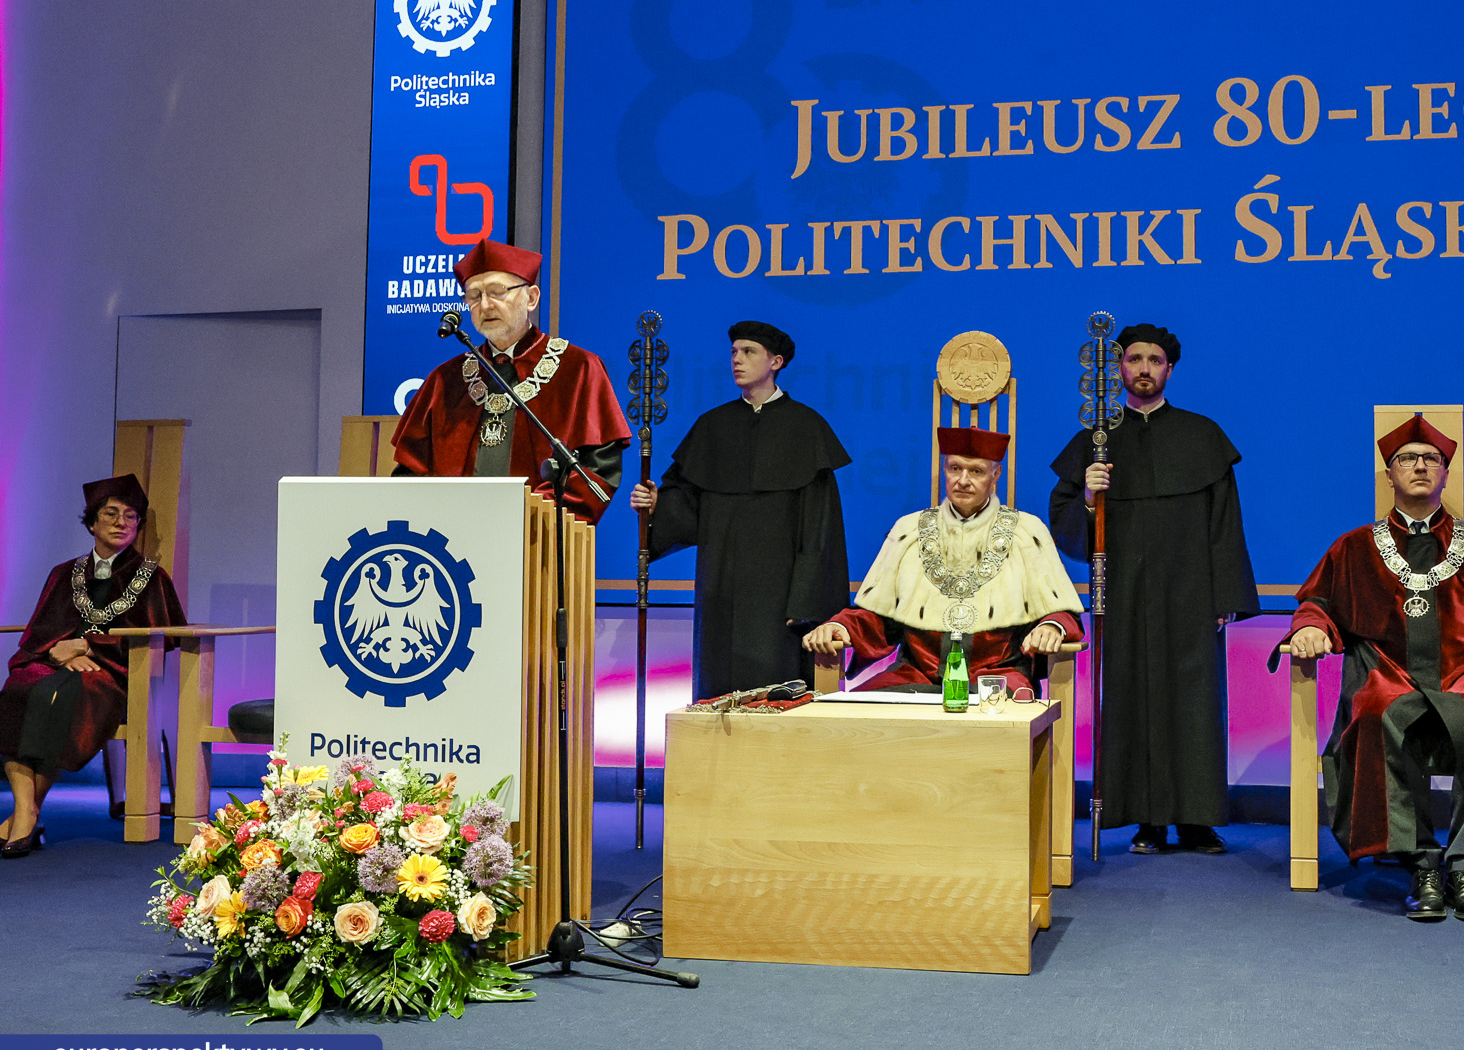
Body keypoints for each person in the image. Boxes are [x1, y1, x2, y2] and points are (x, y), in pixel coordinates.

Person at [1279, 415, 1464, 923]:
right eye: (1407, 460)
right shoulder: (1353, 546)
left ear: (1445, 474)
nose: (1419, 466)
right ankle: (1421, 863)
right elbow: (1318, 604)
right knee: (1374, 712)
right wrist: (1310, 628)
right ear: (1389, 475)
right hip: (1388, 670)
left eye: (1430, 459)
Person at [1047, 323, 1258, 856]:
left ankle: (1197, 820)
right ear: (1118, 368)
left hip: (1191, 594)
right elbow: (1064, 521)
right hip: (1122, 593)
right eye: (1134, 359)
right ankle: (1145, 820)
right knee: (1129, 699)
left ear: (1170, 369)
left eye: (1155, 360)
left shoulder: (1201, 435)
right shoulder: (1095, 441)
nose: (1143, 368)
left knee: (1194, 704)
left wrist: (1224, 598)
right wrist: (1090, 498)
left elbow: (1224, 524)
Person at [632, 321, 850, 702]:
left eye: (748, 352)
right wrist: (655, 504)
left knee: (777, 691)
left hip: (780, 599)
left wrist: (805, 604)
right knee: (717, 690)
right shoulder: (712, 426)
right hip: (720, 589)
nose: (737, 359)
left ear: (776, 361)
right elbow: (685, 507)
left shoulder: (807, 428)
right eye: (733, 352)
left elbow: (819, 529)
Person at [0, 475, 186, 857]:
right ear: (92, 523)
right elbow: (40, 632)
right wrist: (57, 651)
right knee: (20, 690)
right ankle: (25, 811)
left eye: (130, 517)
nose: (120, 522)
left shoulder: (152, 578)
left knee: (67, 697)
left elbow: (162, 636)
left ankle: (22, 817)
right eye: (110, 514)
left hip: (112, 674)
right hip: (54, 664)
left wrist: (90, 646)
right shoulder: (65, 572)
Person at [804, 427, 1082, 693]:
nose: (963, 480)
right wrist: (839, 626)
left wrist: (1051, 626)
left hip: (998, 673)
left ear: (995, 475)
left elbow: (1060, 611)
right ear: (943, 471)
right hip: (916, 673)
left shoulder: (1026, 532)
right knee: (857, 713)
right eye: (955, 468)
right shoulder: (908, 530)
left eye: (976, 471)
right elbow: (880, 617)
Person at [391, 237, 631, 522]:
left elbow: (597, 467)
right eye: (474, 296)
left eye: (497, 292)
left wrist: (530, 518)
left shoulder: (578, 368)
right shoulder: (445, 380)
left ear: (531, 298)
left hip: (539, 541)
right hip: (453, 545)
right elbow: (411, 472)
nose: (486, 305)